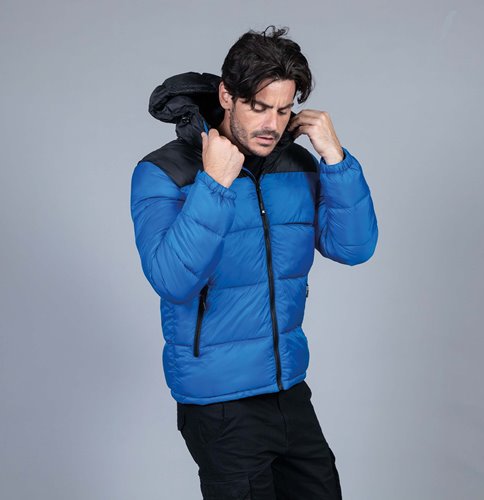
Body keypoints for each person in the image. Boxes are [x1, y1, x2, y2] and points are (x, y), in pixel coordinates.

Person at [130, 25, 378, 500]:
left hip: (289, 389)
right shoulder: (164, 172)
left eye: (284, 110)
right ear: (227, 96)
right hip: (219, 404)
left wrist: (335, 158)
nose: (273, 124)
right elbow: (172, 279)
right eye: (259, 107)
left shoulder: (298, 167)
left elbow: (354, 248)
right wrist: (214, 184)